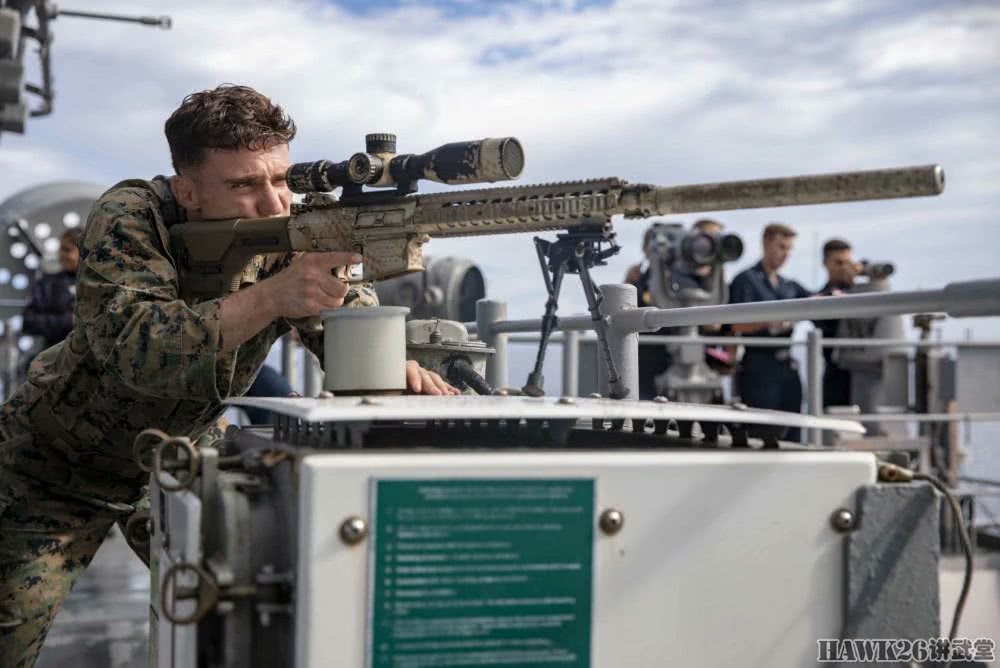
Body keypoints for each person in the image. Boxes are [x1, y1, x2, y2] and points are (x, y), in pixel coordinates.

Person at [0, 84, 457, 665]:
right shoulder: (131, 216)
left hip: (176, 457)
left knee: (238, 629)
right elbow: (137, 350)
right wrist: (271, 298)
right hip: (53, 467)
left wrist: (396, 367)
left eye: (281, 178)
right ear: (186, 190)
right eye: (244, 184)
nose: (272, 203)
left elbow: (343, 326)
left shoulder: (292, 227)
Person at [728, 223, 811, 441]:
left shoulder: (789, 285)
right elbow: (734, 324)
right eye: (781, 247)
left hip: (787, 367)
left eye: (790, 248)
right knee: (760, 433)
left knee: (793, 430)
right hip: (758, 367)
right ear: (766, 243)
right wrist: (769, 323)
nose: (786, 254)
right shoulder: (746, 280)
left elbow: (815, 301)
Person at [814, 238, 858, 409]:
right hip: (837, 376)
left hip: (867, 375)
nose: (844, 268)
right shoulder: (822, 298)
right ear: (826, 263)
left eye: (848, 263)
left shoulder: (862, 293)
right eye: (839, 262)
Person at [21, 229, 81, 350]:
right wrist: (67, 321)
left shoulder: (99, 285)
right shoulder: (47, 283)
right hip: (56, 357)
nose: (62, 255)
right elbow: (28, 322)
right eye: (61, 249)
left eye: (67, 250)